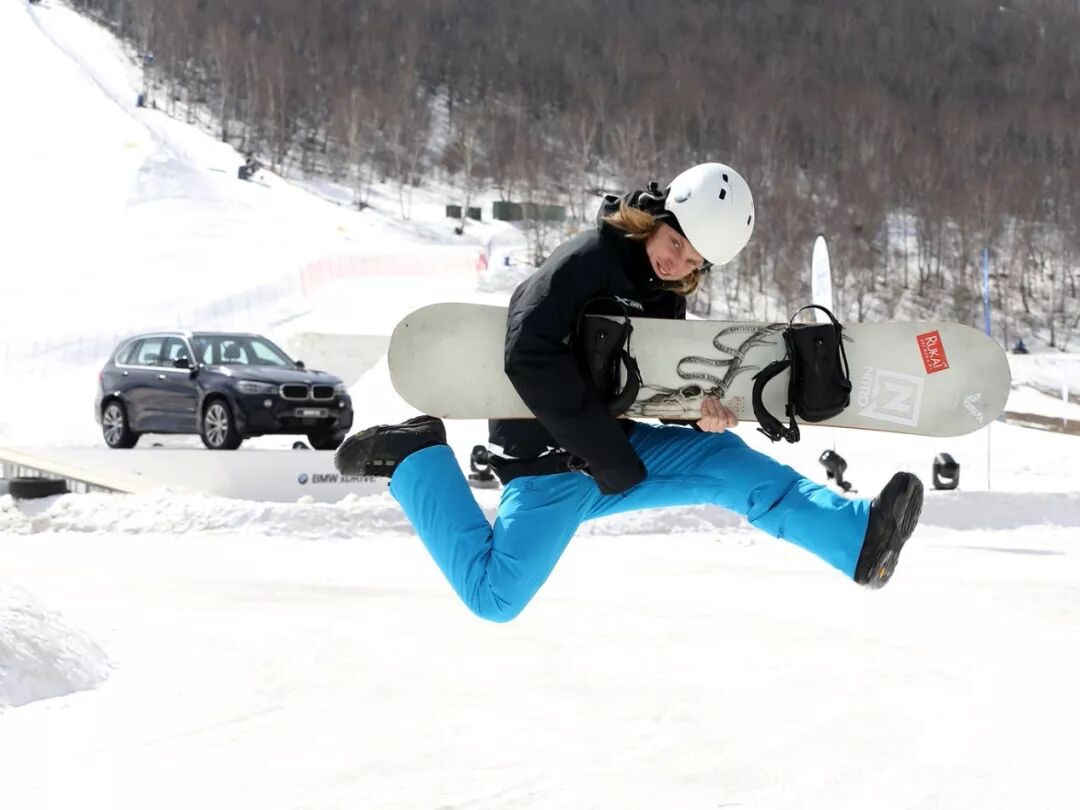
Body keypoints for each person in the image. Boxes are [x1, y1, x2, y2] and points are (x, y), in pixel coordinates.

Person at [335, 162, 924, 623]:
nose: (677, 263)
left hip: (616, 455)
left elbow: (656, 383)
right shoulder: (584, 261)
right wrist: (603, 454)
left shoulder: (664, 295)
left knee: (729, 463)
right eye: (676, 243)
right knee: (495, 599)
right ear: (658, 218)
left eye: (694, 261)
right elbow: (527, 355)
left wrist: (696, 415)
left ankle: (857, 536)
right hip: (550, 460)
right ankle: (416, 456)